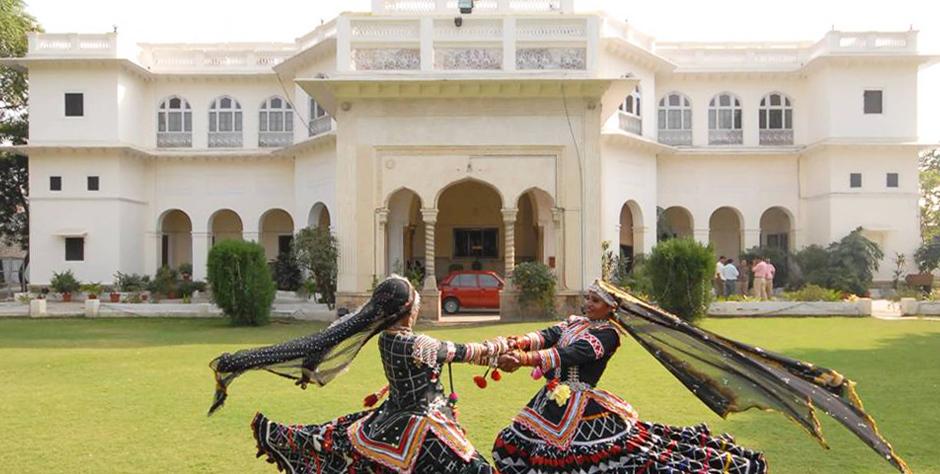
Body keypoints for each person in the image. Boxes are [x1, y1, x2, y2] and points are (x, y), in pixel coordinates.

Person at [208, 275, 505, 473]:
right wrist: (504, 346)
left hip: (395, 419)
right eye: (415, 301)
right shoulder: (417, 343)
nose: (417, 307)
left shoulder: (388, 339)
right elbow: (469, 352)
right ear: (407, 309)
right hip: (424, 427)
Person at [491, 280, 768, 474]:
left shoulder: (609, 335)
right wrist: (516, 342)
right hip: (549, 401)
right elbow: (546, 336)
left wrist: (525, 359)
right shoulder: (575, 322)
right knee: (514, 443)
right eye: (588, 297)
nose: (588, 303)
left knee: (604, 458)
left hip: (581, 405)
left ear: (611, 307)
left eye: (595, 300)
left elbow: (574, 354)